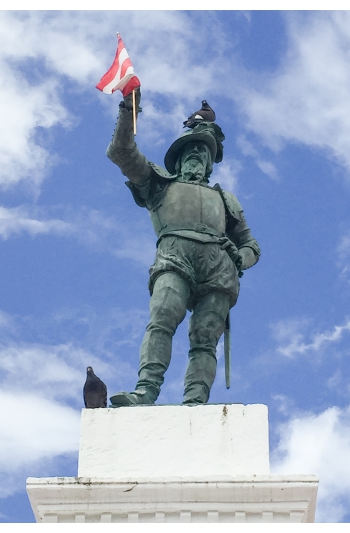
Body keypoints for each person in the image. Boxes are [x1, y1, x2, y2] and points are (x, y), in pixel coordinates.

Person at [106, 88, 261, 406]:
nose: (195, 155)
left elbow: (251, 245)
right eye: (189, 151)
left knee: (205, 339)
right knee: (162, 316)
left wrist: (240, 258)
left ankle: (196, 401)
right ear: (177, 160)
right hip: (175, 256)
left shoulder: (226, 199)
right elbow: (121, 151)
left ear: (209, 164)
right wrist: (128, 109)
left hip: (219, 268)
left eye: (201, 153)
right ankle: (145, 390)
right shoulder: (159, 184)